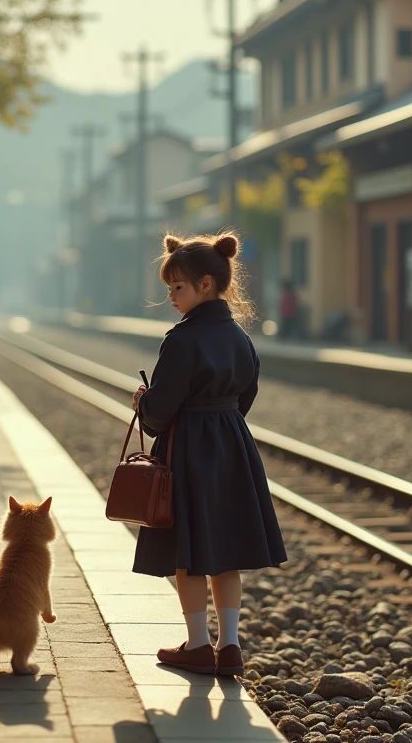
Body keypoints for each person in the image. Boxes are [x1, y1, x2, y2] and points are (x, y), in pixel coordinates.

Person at [131, 232, 287, 677]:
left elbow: (160, 412)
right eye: (169, 288)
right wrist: (224, 422)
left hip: (188, 449)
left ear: (204, 285)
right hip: (234, 445)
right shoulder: (241, 337)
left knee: (189, 551)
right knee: (225, 552)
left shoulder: (180, 341)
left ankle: (198, 644)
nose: (171, 297)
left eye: (178, 288)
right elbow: (247, 394)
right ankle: (231, 644)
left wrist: (143, 403)